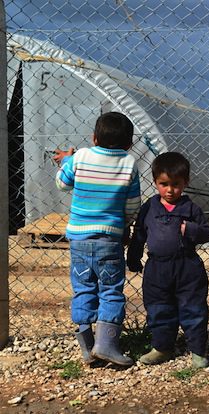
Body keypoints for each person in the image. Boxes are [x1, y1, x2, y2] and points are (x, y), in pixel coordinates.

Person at [54, 111, 140, 367]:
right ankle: (107, 345)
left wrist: (66, 162)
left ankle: (87, 347)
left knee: (83, 287)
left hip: (79, 239)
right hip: (109, 239)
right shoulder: (129, 162)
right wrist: (125, 226)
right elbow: (132, 205)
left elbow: (62, 184)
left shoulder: (80, 156)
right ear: (129, 143)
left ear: (93, 138)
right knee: (111, 290)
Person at [126, 151, 209, 368]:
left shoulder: (190, 208)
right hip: (157, 268)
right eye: (164, 184)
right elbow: (139, 234)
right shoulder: (150, 207)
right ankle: (162, 347)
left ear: (185, 182)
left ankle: (197, 351)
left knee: (193, 308)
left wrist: (191, 229)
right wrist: (133, 256)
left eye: (176, 184)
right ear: (155, 182)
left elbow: (206, 232)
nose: (170, 190)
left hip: (187, 267)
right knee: (158, 308)